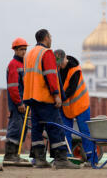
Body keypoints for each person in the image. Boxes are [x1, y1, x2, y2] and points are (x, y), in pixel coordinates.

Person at [23, 29, 79, 169]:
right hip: (44, 97)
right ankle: (61, 159)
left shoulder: (30, 54)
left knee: (37, 128)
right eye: (51, 37)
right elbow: (50, 75)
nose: (51, 39)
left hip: (31, 97)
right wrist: (56, 95)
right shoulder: (46, 53)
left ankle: (39, 159)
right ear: (46, 38)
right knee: (55, 127)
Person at [54, 49, 98, 167]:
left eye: (61, 64)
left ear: (65, 59)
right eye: (58, 65)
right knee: (65, 132)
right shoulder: (58, 68)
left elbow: (71, 90)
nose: (60, 66)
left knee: (85, 132)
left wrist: (59, 99)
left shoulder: (75, 70)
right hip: (67, 106)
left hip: (80, 105)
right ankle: (66, 158)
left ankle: (92, 160)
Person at [3, 37, 30, 165]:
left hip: (23, 103)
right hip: (17, 104)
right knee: (15, 127)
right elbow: (13, 87)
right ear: (15, 50)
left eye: (25, 49)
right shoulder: (14, 65)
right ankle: (9, 155)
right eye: (21, 49)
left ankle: (16, 155)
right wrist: (19, 103)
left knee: (22, 129)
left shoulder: (23, 64)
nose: (23, 52)